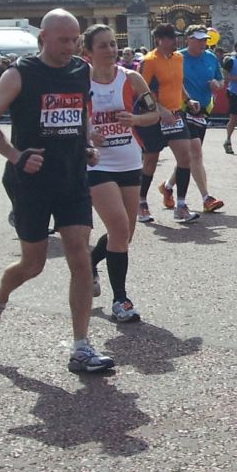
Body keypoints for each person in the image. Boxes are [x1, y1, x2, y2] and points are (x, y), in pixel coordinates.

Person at [0, 9, 114, 374]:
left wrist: (85, 143)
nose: (71, 47)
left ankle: (81, 347)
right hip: (31, 183)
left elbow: (79, 112)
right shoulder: (19, 74)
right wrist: (16, 157)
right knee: (32, 264)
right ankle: (0, 295)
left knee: (80, 258)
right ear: (43, 40)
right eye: (63, 40)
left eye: (75, 39)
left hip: (72, 179)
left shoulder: (81, 71)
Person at [82, 24, 162, 324]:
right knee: (117, 227)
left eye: (113, 44)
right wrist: (89, 133)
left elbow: (155, 114)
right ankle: (121, 300)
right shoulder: (80, 80)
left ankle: (90, 262)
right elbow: (69, 119)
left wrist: (135, 119)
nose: (111, 50)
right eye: (103, 46)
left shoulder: (132, 78)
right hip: (98, 163)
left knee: (125, 233)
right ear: (87, 52)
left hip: (129, 161)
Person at [136, 24, 200, 224]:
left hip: (176, 115)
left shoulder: (178, 58)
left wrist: (188, 99)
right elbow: (141, 90)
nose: (176, 41)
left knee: (185, 158)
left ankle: (180, 205)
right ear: (160, 40)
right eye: (172, 38)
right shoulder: (149, 61)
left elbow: (177, 83)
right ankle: (141, 201)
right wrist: (159, 110)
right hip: (152, 117)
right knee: (151, 160)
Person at [162, 27, 225, 218]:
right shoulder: (177, 57)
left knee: (187, 158)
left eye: (204, 40)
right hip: (182, 109)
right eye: (198, 40)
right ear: (188, 39)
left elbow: (220, 81)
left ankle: (167, 186)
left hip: (202, 111)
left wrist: (217, 84)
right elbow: (171, 81)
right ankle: (206, 198)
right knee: (195, 152)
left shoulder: (211, 57)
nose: (202, 43)